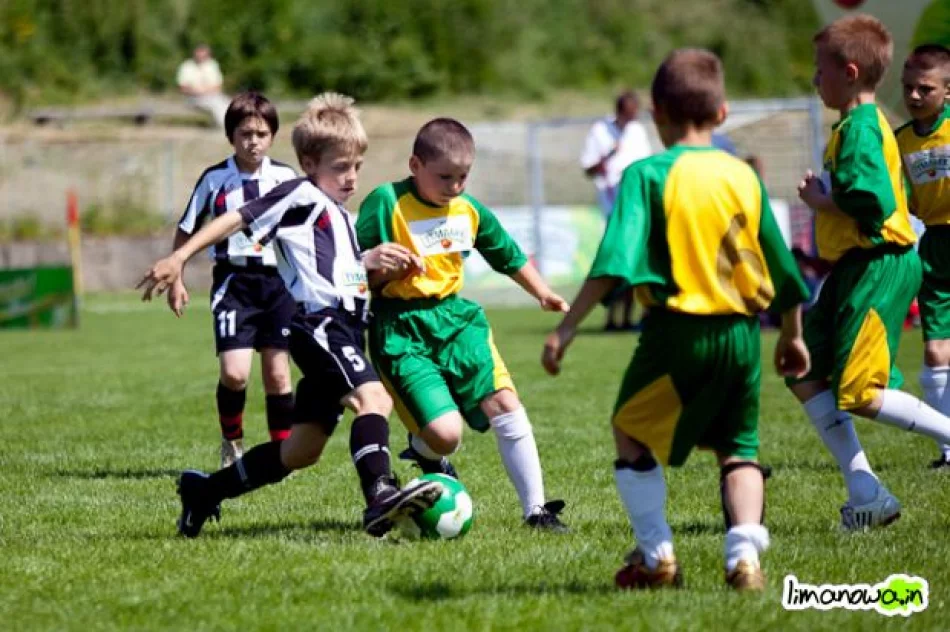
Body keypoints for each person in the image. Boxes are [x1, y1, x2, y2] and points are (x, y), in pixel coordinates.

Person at [542, 48, 811, 592]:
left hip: (674, 332)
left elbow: (613, 259)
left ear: (657, 113)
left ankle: (656, 555)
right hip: (739, 334)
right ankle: (744, 560)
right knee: (739, 448)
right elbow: (781, 267)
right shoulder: (743, 175)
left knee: (629, 430)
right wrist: (792, 335)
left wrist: (566, 328)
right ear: (722, 113)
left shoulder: (646, 174)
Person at [137, 93, 441, 539]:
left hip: (343, 329)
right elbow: (237, 218)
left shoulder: (338, 213)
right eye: (341, 167)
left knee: (299, 452)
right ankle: (379, 495)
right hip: (321, 324)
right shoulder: (298, 193)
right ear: (308, 162)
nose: (351, 177)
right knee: (374, 401)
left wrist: (374, 263)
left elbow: (341, 272)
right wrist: (179, 257)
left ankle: (204, 491)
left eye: (356, 166)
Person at [356, 118, 571, 532]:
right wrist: (387, 273)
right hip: (401, 328)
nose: (455, 186)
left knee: (505, 402)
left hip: (457, 321)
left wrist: (542, 292)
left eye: (463, 177)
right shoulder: (386, 202)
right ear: (415, 165)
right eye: (444, 177)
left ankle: (537, 511)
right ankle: (425, 451)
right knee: (446, 435)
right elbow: (350, 273)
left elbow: (506, 253)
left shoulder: (468, 209)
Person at [789, 15, 950, 531]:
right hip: (853, 268)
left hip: (877, 264)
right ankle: (866, 493)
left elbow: (874, 201)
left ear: (851, 72)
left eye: (821, 70)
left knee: (860, 392)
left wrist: (823, 198)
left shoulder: (860, 126)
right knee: (803, 369)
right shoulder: (857, 124)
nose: (816, 79)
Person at [171, 92, 298, 469]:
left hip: (279, 285)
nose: (253, 141)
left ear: (273, 136)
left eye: (261, 133)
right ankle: (232, 442)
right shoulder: (215, 179)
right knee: (235, 373)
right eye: (245, 133)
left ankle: (282, 454)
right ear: (231, 136)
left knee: (278, 374)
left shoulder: (286, 178)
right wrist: (177, 276)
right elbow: (187, 228)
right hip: (235, 284)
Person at [895, 44, 950, 467]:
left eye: (925, 89)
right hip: (934, 245)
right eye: (908, 87)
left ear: (947, 92)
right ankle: (948, 449)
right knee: (935, 352)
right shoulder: (900, 141)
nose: (914, 96)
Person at [580, 91, 652, 331]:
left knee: (633, 264)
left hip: (636, 207)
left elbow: (646, 165)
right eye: (628, 115)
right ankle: (612, 317)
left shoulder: (638, 132)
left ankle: (629, 318)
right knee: (615, 263)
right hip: (612, 208)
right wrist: (609, 154)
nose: (631, 120)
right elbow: (589, 169)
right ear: (619, 111)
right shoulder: (600, 131)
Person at [177, 44, 230, 128]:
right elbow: (182, 88)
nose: (201, 57)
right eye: (199, 55)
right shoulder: (187, 66)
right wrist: (197, 91)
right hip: (193, 98)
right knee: (216, 105)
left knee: (228, 103)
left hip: (212, 96)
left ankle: (229, 124)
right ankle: (225, 126)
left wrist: (206, 91)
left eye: (204, 55)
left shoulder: (212, 65)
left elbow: (218, 86)